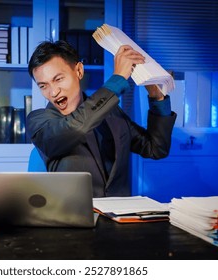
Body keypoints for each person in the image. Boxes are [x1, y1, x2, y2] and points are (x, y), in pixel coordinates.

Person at [26, 40, 176, 197]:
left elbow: (155, 148)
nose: (53, 91)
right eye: (43, 86)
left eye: (58, 79)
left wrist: (156, 97)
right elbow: (74, 127)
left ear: (79, 71)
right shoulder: (39, 121)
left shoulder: (112, 113)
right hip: (75, 220)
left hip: (120, 217)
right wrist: (117, 79)